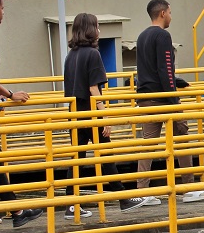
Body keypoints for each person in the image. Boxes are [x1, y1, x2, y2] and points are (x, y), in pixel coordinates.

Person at [62, 12, 146, 216]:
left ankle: (71, 204)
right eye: (97, 26)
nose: (99, 30)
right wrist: (104, 115)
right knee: (105, 154)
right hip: (90, 112)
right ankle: (122, 197)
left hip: (75, 112)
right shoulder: (92, 54)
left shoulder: (70, 55)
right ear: (92, 29)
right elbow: (93, 88)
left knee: (77, 158)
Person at [134, 0, 204, 204]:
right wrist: (173, 96)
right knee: (181, 137)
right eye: (169, 12)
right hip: (163, 98)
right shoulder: (163, 36)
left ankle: (141, 190)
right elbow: (165, 69)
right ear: (162, 13)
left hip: (146, 97)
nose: (170, 16)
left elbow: (148, 69)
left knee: (148, 144)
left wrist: (177, 81)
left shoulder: (142, 36)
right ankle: (188, 187)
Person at [0, 0, 44, 231]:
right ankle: (16, 211)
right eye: (3, 8)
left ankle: (17, 211)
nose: (4, 13)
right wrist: (9, 94)